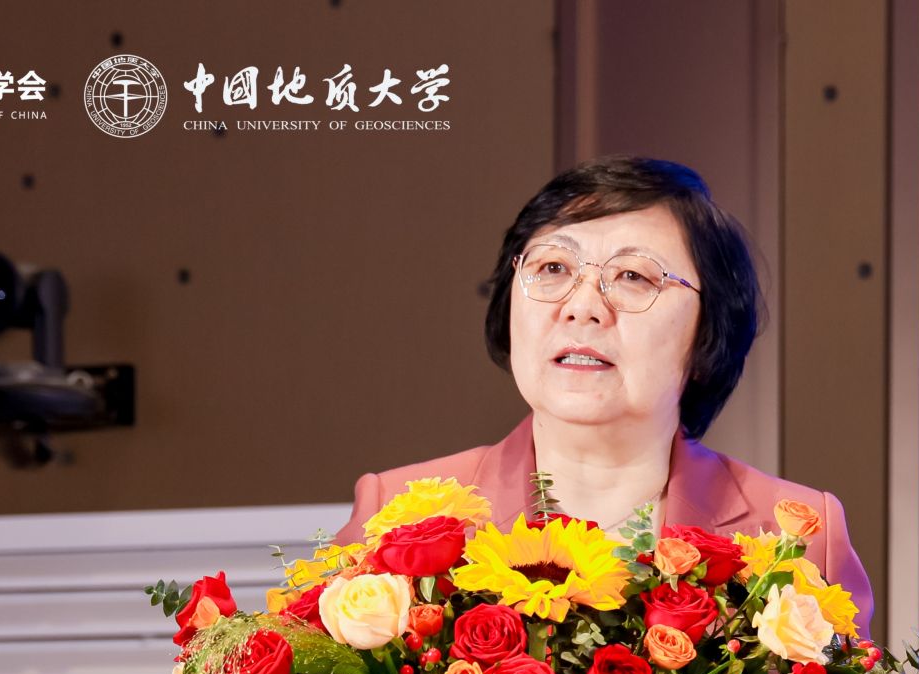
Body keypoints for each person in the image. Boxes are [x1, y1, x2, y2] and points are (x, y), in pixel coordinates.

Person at [333, 154, 875, 638]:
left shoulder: (796, 533)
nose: (582, 307)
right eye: (552, 268)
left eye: (634, 276)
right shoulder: (398, 516)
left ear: (708, 331)